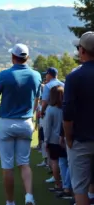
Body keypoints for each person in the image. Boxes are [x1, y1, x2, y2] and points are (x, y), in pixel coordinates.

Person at [0, 43, 41, 205]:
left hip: (6, 123)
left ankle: (10, 202)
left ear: (13, 57)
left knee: (8, 166)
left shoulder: (4, 75)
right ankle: (29, 196)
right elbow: (36, 100)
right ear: (27, 58)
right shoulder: (36, 75)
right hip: (26, 122)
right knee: (24, 163)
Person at [63, 31, 94, 205]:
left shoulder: (74, 77)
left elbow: (68, 113)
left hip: (81, 141)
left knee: (80, 190)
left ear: (82, 51)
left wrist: (68, 138)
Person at [43, 86, 66, 192]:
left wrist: (46, 141)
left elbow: (47, 127)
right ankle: (66, 184)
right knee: (65, 163)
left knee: (54, 162)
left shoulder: (50, 109)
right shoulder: (65, 108)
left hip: (53, 140)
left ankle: (58, 184)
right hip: (65, 139)